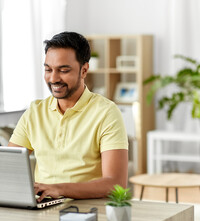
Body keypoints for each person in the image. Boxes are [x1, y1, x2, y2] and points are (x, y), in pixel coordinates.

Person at [8, 31, 128, 202]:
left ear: (84, 70)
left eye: (63, 70)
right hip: (43, 207)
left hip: (87, 209)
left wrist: (58, 189)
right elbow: (7, 165)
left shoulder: (107, 113)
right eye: (48, 70)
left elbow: (115, 184)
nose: (53, 78)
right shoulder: (35, 112)